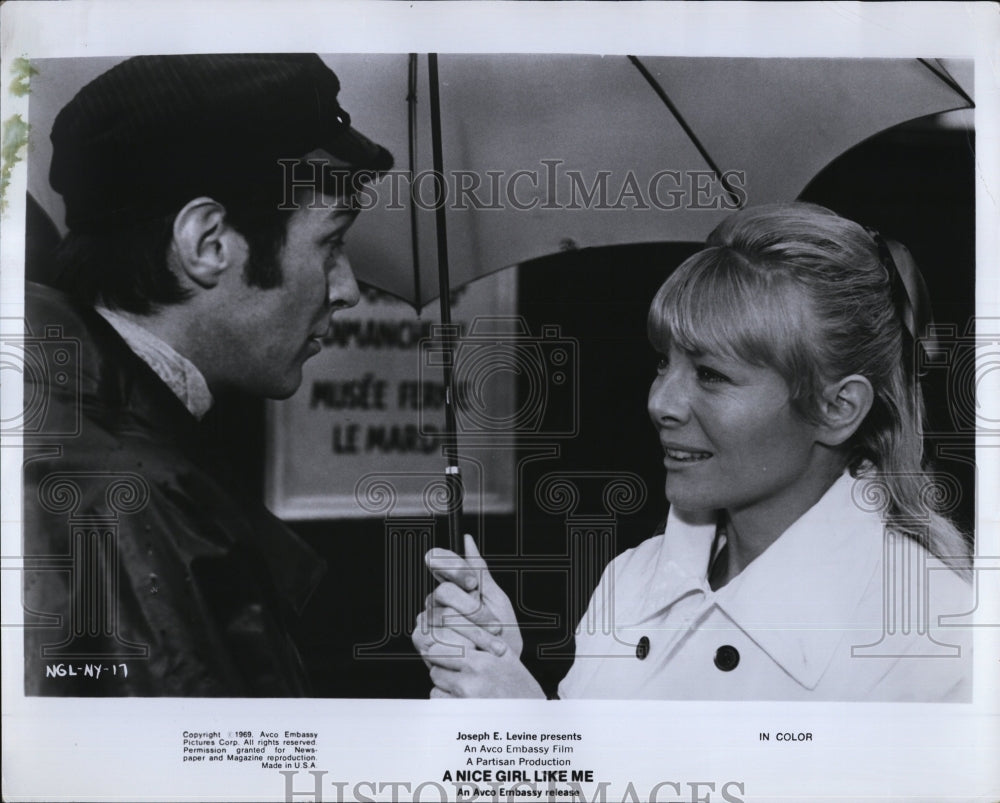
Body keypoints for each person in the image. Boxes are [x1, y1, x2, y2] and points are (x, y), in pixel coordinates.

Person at [413, 202, 973, 701]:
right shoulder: (630, 580)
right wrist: (500, 666)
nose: (661, 402)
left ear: (837, 408)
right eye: (664, 361)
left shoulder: (933, 635)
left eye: (710, 374)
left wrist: (528, 735)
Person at [22, 54, 393, 695]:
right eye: (331, 242)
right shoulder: (131, 504)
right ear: (208, 243)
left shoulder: (71, 430)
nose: (349, 288)